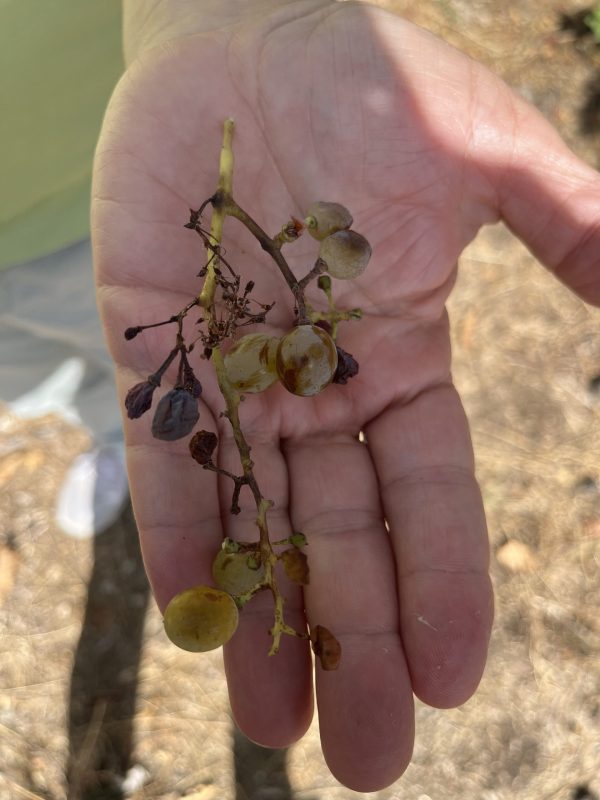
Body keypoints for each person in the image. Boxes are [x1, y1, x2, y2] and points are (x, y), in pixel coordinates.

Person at [93, 0, 600, 793]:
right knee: (74, 356)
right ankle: (90, 426)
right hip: (94, 205)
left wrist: (224, 21)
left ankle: (91, 426)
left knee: (104, 359)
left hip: (109, 145)